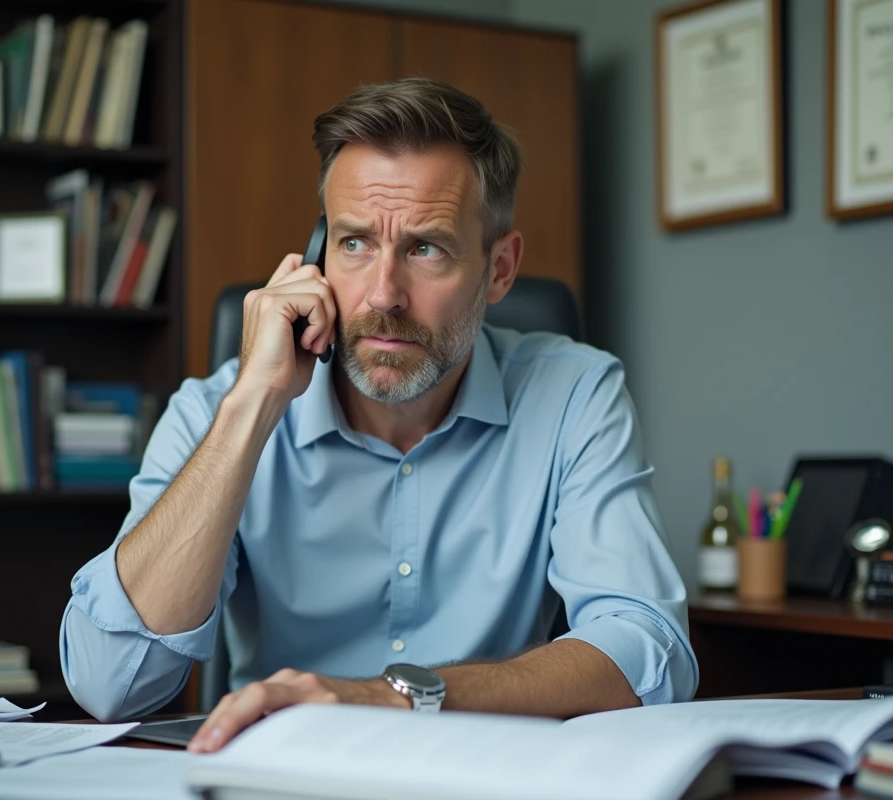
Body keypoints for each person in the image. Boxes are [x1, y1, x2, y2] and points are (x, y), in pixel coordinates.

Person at [59, 78, 698, 750]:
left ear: (500, 270)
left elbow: (648, 649)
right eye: (355, 243)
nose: (384, 294)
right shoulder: (215, 411)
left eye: (426, 248)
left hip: (484, 773)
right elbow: (110, 684)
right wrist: (251, 407)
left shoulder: (575, 394)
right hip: (278, 779)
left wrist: (394, 700)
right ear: (317, 255)